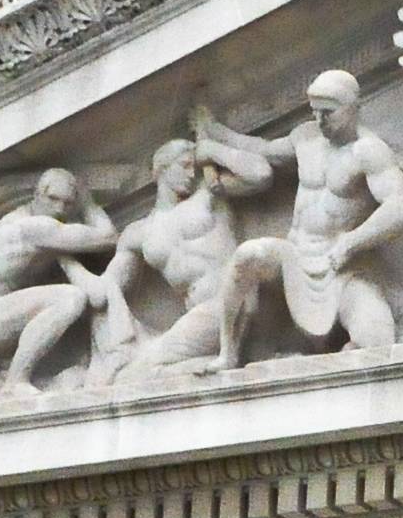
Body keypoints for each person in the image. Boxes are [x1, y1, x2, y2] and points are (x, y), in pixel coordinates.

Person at [220, 73, 403, 367]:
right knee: (248, 255)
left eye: (328, 112)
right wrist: (214, 134)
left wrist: (351, 242)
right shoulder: (306, 137)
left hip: (341, 268)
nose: (320, 120)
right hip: (294, 257)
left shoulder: (368, 151)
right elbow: (264, 149)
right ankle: (227, 352)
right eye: (314, 112)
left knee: (378, 342)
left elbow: (401, 207)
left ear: (352, 107)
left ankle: (338, 359)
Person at [93, 118, 281, 380]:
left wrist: (211, 150)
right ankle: (211, 364)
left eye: (195, 166)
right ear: (160, 169)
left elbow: (261, 174)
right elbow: (105, 291)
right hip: (202, 316)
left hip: (229, 301)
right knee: (131, 374)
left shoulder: (209, 196)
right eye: (184, 166)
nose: (192, 174)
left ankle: (215, 361)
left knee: (132, 377)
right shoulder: (137, 233)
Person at [0, 167, 120, 401]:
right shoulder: (35, 227)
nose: (59, 209)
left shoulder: (23, 218)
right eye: (53, 199)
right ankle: (15, 383)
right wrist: (86, 200)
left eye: (68, 203)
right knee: (70, 299)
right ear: (37, 195)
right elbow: (107, 237)